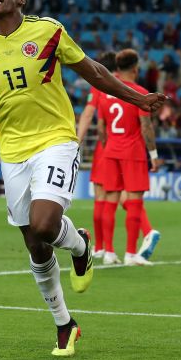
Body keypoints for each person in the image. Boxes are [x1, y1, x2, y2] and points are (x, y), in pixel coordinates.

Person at [0, 0, 166, 356]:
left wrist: (137, 97)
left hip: (55, 140)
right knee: (35, 244)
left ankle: (81, 245)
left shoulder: (48, 30)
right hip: (13, 152)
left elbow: (94, 72)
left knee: (44, 223)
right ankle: (64, 324)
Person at [96, 49, 161, 266]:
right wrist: (153, 155)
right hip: (133, 153)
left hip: (111, 151)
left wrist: (109, 147)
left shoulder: (104, 94)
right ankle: (131, 254)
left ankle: (108, 252)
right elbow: (146, 126)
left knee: (110, 201)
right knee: (134, 203)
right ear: (135, 68)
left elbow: (101, 129)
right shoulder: (140, 93)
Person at [76, 51, 116, 259]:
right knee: (122, 198)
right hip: (124, 148)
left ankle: (100, 247)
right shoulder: (127, 88)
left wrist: (77, 141)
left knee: (101, 197)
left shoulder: (99, 85)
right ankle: (110, 250)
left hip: (105, 147)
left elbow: (89, 113)